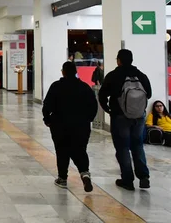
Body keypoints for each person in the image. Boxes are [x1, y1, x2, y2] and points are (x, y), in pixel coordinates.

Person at [99, 49, 152, 191]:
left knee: (122, 148)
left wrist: (108, 109)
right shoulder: (141, 76)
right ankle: (144, 177)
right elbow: (149, 93)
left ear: (119, 60)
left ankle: (127, 180)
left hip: (120, 116)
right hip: (139, 117)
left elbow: (102, 94)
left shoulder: (113, 76)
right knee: (138, 145)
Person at [43, 62, 98, 192]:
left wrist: (47, 119)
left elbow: (47, 105)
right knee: (80, 149)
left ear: (63, 72)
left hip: (60, 125)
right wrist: (88, 120)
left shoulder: (56, 86)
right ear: (75, 72)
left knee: (62, 151)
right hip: (81, 126)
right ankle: (84, 173)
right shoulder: (84, 87)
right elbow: (93, 106)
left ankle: (62, 178)